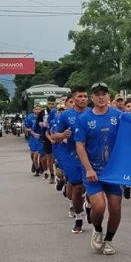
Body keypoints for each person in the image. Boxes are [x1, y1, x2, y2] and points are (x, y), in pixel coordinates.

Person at [75, 82, 123, 255]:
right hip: (93, 170)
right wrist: (88, 169)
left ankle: (109, 240)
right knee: (100, 207)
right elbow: (80, 146)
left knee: (116, 208)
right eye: (97, 94)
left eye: (104, 93)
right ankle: (97, 229)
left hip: (113, 171)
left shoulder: (118, 116)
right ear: (92, 98)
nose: (101, 97)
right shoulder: (84, 119)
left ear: (109, 96)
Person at [54, 86, 89, 234]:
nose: (83, 99)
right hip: (72, 157)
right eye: (80, 96)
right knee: (77, 188)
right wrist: (62, 135)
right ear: (73, 99)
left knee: (92, 186)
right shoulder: (66, 116)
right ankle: (79, 217)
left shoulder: (93, 114)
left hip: (91, 155)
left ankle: (89, 205)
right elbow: (54, 135)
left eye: (85, 96)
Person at [43, 96, 58, 183]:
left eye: (53, 104)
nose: (51, 105)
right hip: (48, 137)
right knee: (49, 158)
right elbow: (47, 126)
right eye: (49, 103)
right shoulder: (45, 112)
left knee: (58, 159)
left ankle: (60, 175)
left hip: (58, 138)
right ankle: (52, 174)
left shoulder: (59, 111)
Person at [24, 104, 42, 174]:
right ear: (33, 110)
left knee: (37, 155)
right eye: (36, 109)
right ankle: (34, 164)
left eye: (39, 109)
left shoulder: (43, 117)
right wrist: (32, 132)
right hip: (33, 138)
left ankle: (37, 169)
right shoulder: (30, 117)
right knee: (32, 154)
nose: (38, 111)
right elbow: (26, 128)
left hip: (40, 138)